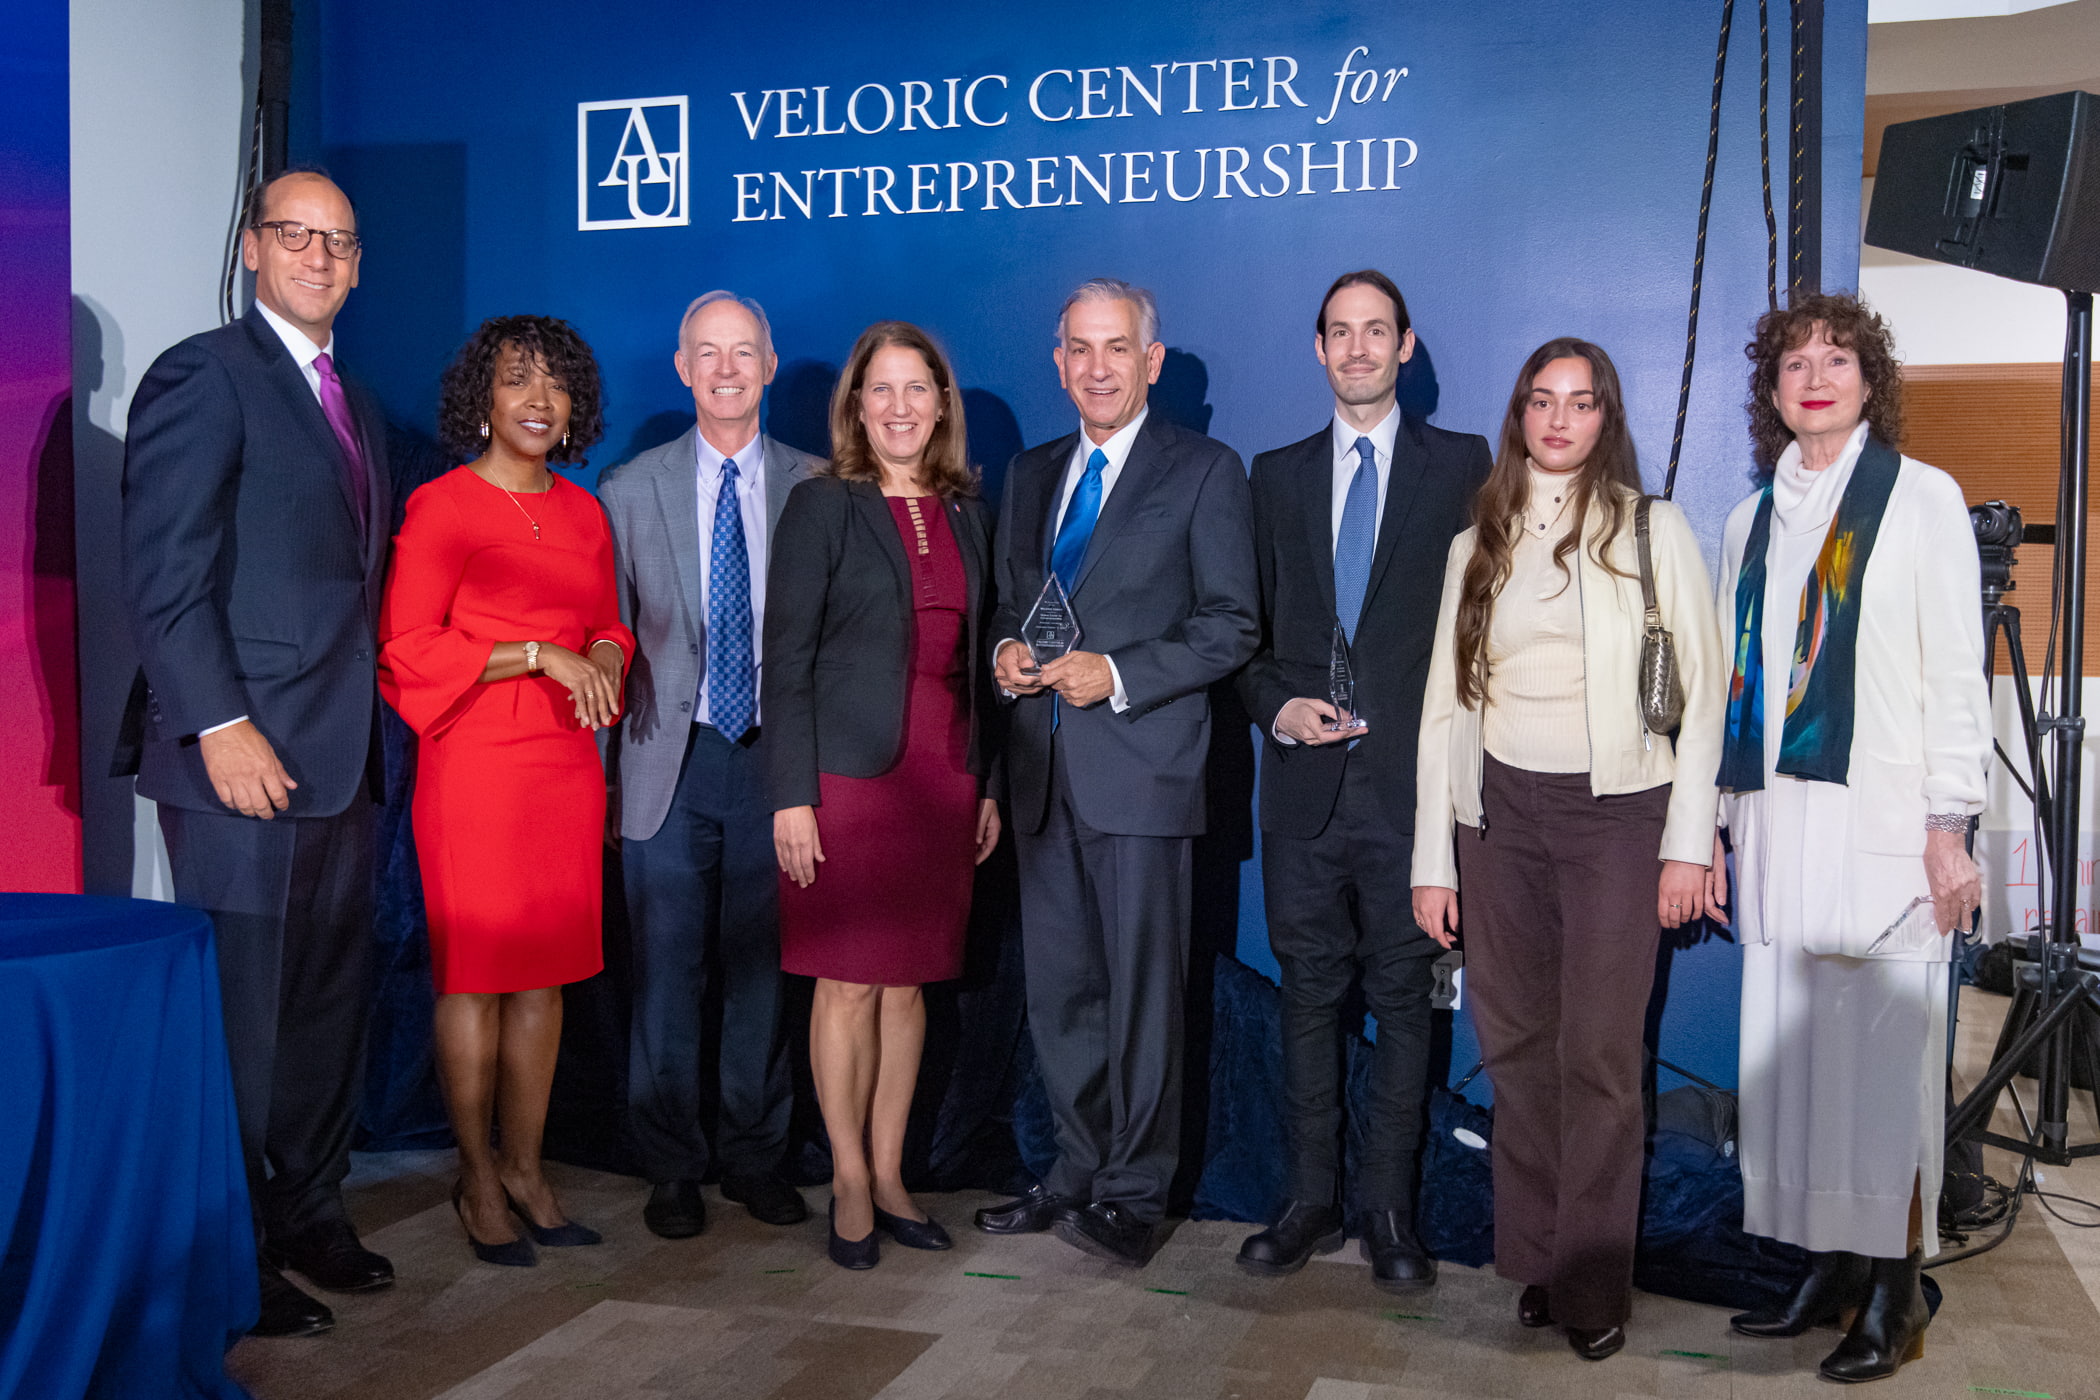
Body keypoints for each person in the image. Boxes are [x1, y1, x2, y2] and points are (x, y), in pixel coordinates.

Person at [119, 168, 393, 1337]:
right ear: (251, 248)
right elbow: (166, 572)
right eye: (296, 235)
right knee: (244, 1017)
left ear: (358, 263)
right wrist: (219, 721)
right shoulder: (203, 373)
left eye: (337, 241)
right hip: (243, 758)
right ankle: (229, 1250)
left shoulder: (355, 403)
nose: (318, 257)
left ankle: (308, 1212)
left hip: (342, 757)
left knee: (324, 1009)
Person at [1411, 338, 1725, 1360]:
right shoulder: (1478, 542)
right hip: (1497, 817)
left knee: (1596, 1053)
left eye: (1580, 403)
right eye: (1541, 401)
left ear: (1605, 417)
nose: (1559, 420)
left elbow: (1705, 694)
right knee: (1515, 1046)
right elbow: (1441, 710)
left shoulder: (1651, 527)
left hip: (1616, 817)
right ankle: (1542, 1257)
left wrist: (1690, 840)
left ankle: (1595, 1278)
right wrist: (1433, 857)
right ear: (1519, 415)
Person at [1718, 293, 1989, 1384]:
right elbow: (1747, 695)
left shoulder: (1921, 499)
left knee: (1884, 1069)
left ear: (1870, 380)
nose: (1816, 375)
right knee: (1800, 1062)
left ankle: (1895, 1289)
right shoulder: (1749, 520)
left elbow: (1953, 671)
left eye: (1838, 358)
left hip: (1885, 824)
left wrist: (1949, 824)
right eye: (1795, 362)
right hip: (1784, 827)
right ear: (1772, 390)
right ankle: (1827, 1269)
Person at [976, 278, 1260, 1266]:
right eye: (1078, 349)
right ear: (1059, 362)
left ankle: (1136, 1193)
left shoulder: (1205, 470)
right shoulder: (1030, 470)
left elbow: (1232, 623)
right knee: (1062, 994)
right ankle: (1074, 1171)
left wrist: (1122, 674)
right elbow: (1017, 603)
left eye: (1116, 348)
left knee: (1143, 995)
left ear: (1151, 360)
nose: (1096, 367)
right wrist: (1007, 654)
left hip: (1142, 771)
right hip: (1042, 770)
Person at [1233, 271, 1490, 1292]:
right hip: (1302, 789)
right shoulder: (1274, 474)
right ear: (1318, 348)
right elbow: (1243, 634)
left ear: (1406, 345)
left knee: (1405, 1004)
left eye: (1375, 331)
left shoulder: (1463, 465)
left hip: (1410, 793)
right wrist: (1272, 706)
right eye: (1339, 332)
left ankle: (1389, 1207)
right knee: (1307, 1000)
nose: (1357, 347)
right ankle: (1308, 1198)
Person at [378, 316, 632, 1266]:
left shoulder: (583, 511)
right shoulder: (443, 507)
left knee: (544, 979)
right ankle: (476, 1176)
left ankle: (527, 1168)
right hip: (476, 768)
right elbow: (406, 648)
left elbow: (609, 623)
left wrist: (602, 654)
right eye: (517, 381)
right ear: (480, 398)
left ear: (576, 408)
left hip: (566, 770)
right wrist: (537, 653)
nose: (538, 400)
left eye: (556, 385)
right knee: (477, 979)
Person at [764, 322, 1002, 1269]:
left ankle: (895, 1171)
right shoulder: (822, 506)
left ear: (942, 404)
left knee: (909, 991)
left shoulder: (968, 512)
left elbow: (979, 666)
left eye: (918, 389)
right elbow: (785, 658)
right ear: (857, 407)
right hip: (842, 782)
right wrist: (790, 794)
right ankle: (850, 1179)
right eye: (883, 390)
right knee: (848, 983)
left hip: (942, 780)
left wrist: (983, 778)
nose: (901, 408)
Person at [598, 293, 820, 1238]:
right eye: (707, 353)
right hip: (667, 760)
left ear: (771, 366)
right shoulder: (627, 489)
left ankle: (755, 1158)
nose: (726, 369)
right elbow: (605, 636)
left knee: (765, 975)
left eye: (744, 353)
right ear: (683, 369)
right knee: (666, 976)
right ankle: (671, 1165)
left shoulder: (820, 486)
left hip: (776, 760)